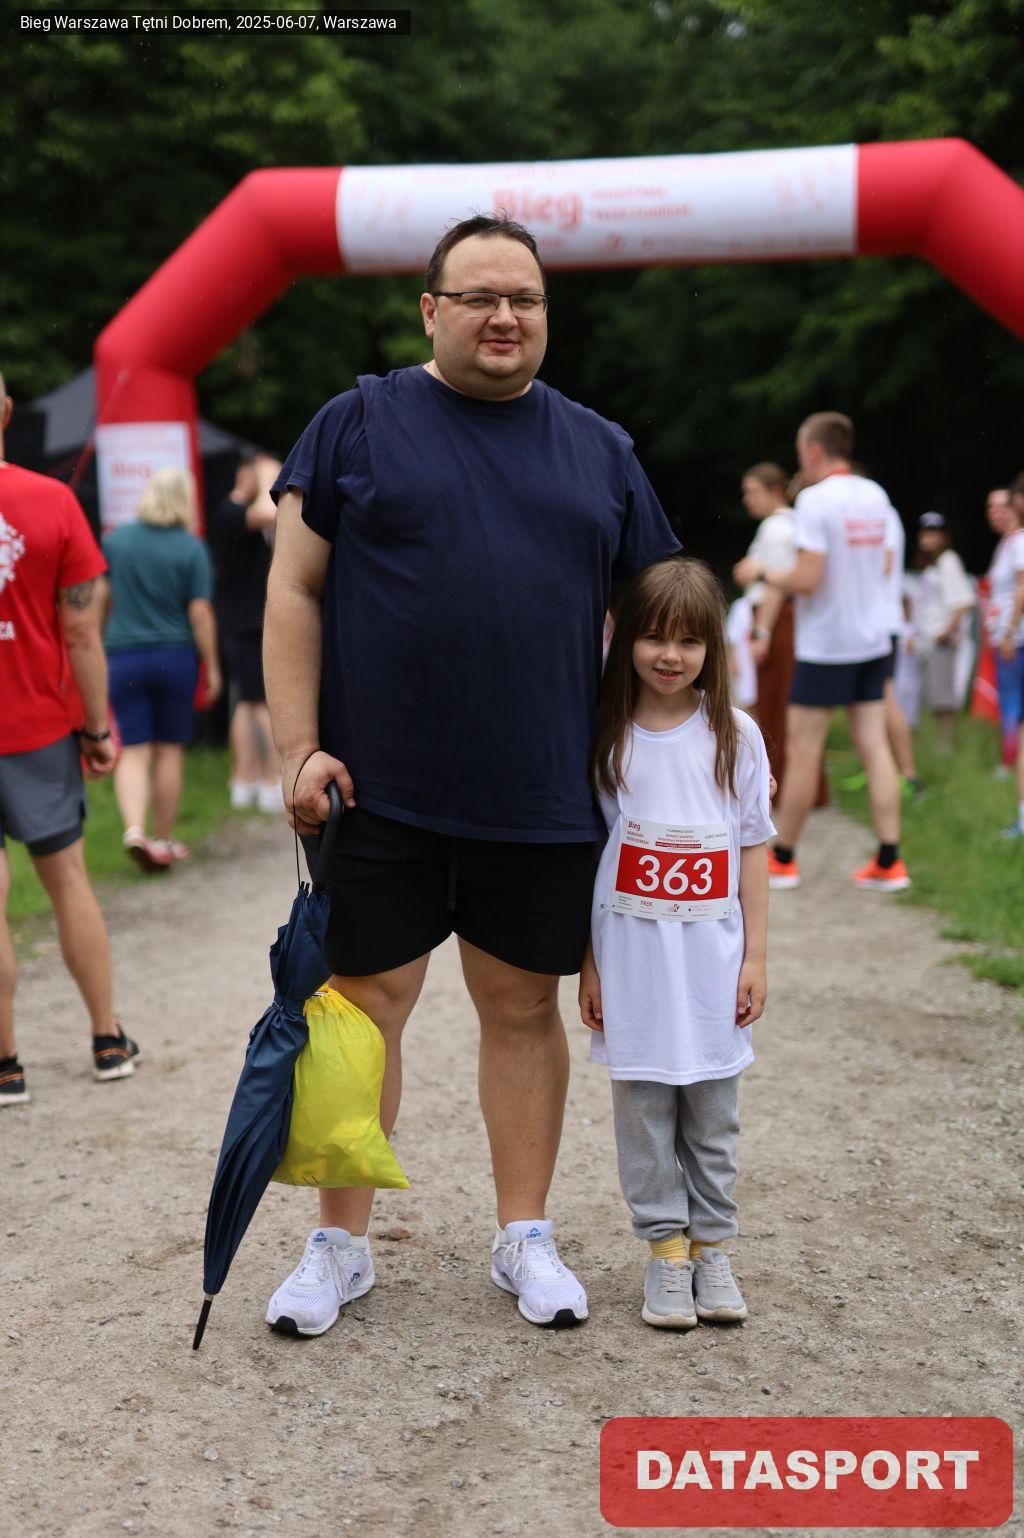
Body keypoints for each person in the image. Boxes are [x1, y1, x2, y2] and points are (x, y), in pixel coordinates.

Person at [261, 212, 681, 1337]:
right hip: (378, 787)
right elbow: (294, 588)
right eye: (480, 297)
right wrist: (296, 748)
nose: (505, 317)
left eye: (525, 299)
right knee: (361, 1008)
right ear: (430, 310)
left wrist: (680, 761)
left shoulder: (600, 449)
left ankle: (524, 1234)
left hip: (540, 791)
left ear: (546, 313)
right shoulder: (356, 423)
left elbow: (661, 617)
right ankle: (338, 1244)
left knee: (523, 1005)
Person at [578, 558, 772, 1329]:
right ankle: (666, 1251)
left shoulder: (736, 736)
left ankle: (712, 1248)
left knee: (715, 1119)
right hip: (632, 966)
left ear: (711, 648)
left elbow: (752, 846)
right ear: (625, 638)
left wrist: (755, 956)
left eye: (689, 641)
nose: (670, 655)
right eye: (654, 637)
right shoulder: (604, 736)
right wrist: (590, 964)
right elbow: (592, 856)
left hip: (711, 967)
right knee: (645, 1117)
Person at [0, 369, 139, 1105]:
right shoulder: (51, 501)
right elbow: (81, 631)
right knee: (68, 882)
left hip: (32, 728)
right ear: (6, 410)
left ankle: (6, 1064)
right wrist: (96, 727)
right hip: (38, 728)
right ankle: (107, 1039)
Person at [760, 412, 910, 892]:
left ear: (814, 451)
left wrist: (764, 572)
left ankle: (784, 858)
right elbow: (885, 560)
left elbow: (808, 578)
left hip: (828, 644)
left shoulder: (815, 499)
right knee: (875, 745)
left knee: (804, 749)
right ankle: (889, 860)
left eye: (800, 450)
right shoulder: (875, 494)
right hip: (873, 638)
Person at [103, 466, 221, 870]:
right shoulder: (191, 548)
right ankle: (164, 838)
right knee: (169, 749)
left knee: (134, 750)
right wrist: (212, 665)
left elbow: (100, 597)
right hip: (175, 657)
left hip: (123, 656)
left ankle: (134, 831)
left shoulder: (116, 541)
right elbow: (200, 612)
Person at [733, 461, 827, 807]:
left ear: (774, 490)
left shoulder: (777, 528)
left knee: (775, 703)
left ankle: (785, 788)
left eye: (752, 491)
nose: (747, 499)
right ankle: (797, 788)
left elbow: (775, 585)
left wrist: (762, 631)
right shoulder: (789, 525)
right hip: (778, 620)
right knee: (780, 703)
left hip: (775, 620)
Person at [209, 452, 283, 813]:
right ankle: (272, 781)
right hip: (244, 624)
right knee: (260, 704)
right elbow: (270, 512)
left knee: (246, 702)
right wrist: (268, 476)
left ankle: (246, 780)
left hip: (242, 623)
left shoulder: (237, 513)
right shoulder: (231, 511)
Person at [911, 512, 976, 752]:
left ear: (944, 537)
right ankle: (934, 745)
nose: (928, 538)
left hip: (940, 640)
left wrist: (946, 632)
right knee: (928, 696)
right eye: (925, 533)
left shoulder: (949, 561)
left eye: (934, 534)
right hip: (927, 639)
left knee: (942, 697)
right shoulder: (931, 564)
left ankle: (945, 746)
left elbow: (963, 602)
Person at [988, 475, 1024, 836]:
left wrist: (1010, 632)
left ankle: (1009, 761)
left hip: (1017, 638)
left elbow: (1021, 590)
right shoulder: (1011, 542)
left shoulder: (1020, 542)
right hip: (1011, 635)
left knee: (1015, 709)